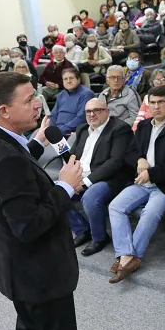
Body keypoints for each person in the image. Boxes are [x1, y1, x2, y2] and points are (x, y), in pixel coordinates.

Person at [0, 72, 82, 330]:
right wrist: (65, 186)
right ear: (4, 110)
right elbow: (28, 225)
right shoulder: (7, 159)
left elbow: (13, 175)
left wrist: (36, 143)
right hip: (39, 273)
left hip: (15, 269)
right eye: (29, 99)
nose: (38, 105)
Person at [108, 85, 165, 283]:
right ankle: (127, 255)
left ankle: (129, 259)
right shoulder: (144, 126)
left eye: (161, 102)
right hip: (142, 182)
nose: (156, 107)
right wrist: (139, 160)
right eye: (152, 103)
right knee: (115, 206)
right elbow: (130, 152)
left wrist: (152, 173)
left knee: (150, 212)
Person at [66, 97, 134, 256]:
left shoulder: (120, 129)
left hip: (111, 177)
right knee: (55, 189)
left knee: (90, 197)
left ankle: (99, 238)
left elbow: (115, 162)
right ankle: (82, 229)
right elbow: (73, 155)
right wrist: (69, 174)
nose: (92, 114)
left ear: (107, 112)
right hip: (82, 174)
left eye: (97, 110)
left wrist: (84, 183)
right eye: (88, 111)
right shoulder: (83, 129)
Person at [49, 68, 94, 135]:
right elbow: (53, 115)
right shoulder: (61, 94)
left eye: (71, 78)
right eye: (65, 79)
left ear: (78, 80)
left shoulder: (86, 94)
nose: (68, 81)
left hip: (73, 132)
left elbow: (81, 117)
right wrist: (53, 129)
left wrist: (61, 130)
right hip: (58, 132)